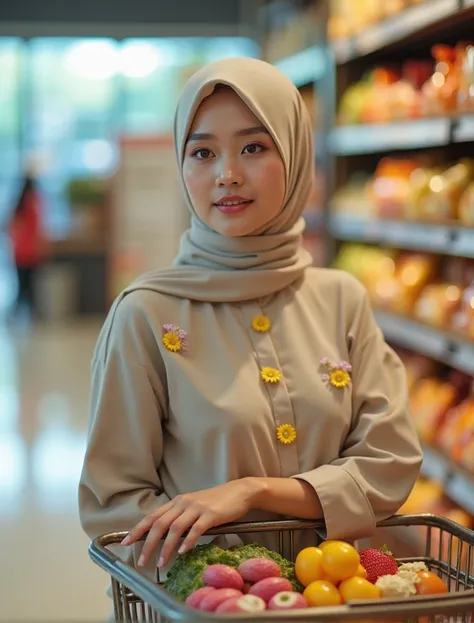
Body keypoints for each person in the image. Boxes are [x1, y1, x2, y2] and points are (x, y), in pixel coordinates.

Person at [78, 58, 423, 581]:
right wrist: (236, 584)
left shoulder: (340, 300)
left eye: (254, 147)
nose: (227, 174)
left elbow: (390, 460)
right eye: (203, 152)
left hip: (342, 600)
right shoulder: (147, 314)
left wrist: (251, 492)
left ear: (295, 152)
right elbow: (116, 503)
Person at [7, 174, 46, 316]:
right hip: (30, 251)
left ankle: (19, 314)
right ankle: (30, 314)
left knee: (22, 285)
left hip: (19, 251)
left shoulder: (18, 205)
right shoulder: (34, 204)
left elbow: (10, 227)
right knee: (29, 286)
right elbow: (39, 229)